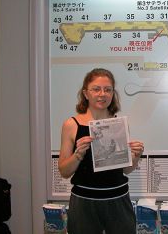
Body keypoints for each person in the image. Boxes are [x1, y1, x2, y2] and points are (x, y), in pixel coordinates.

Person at [58, 68, 144, 234]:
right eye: (96, 89)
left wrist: (136, 156)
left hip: (118, 199)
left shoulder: (118, 124)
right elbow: (64, 171)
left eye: (108, 90)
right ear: (85, 93)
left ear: (113, 94)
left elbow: (126, 169)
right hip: (84, 201)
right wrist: (78, 155)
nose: (102, 94)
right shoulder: (71, 124)